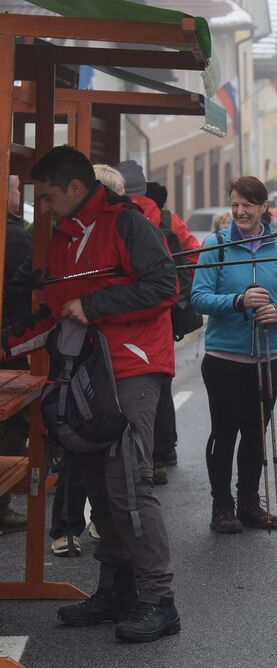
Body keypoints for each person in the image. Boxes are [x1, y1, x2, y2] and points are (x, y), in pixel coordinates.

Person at [8, 145, 181, 641]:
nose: (42, 207)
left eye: (47, 196)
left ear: (75, 187)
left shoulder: (128, 224)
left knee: (128, 487)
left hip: (132, 368)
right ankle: (116, 590)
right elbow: (57, 312)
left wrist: (96, 304)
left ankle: (159, 600)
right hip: (85, 374)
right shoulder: (62, 237)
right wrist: (8, 346)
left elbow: (164, 287)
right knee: (98, 486)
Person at [191, 176, 277, 533]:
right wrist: (238, 301)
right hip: (224, 358)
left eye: (247, 205)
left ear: (263, 207)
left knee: (256, 433)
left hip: (268, 356)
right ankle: (222, 506)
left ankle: (250, 504)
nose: (240, 211)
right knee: (224, 433)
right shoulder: (217, 245)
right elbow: (198, 298)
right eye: (235, 204)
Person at [117, 162, 201, 486]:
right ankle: (164, 450)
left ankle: (138, 460)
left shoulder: (117, 218)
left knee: (128, 389)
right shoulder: (166, 219)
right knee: (160, 383)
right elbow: (195, 255)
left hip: (122, 317)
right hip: (163, 317)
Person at [0, 175, 33, 534]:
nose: (19, 193)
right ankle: (1, 504)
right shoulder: (17, 238)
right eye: (15, 188)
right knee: (13, 420)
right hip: (11, 342)